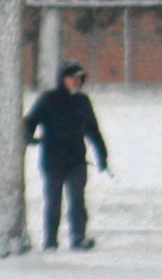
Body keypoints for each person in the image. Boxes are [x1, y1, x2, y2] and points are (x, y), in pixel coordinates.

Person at [24, 61, 112, 250]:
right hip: (53, 160)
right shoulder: (48, 99)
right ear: (62, 79)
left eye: (79, 78)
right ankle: (50, 240)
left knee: (77, 200)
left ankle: (78, 237)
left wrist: (102, 156)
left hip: (76, 160)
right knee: (53, 201)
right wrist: (29, 138)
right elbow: (31, 121)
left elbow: (93, 131)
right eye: (72, 78)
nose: (76, 82)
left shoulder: (83, 101)